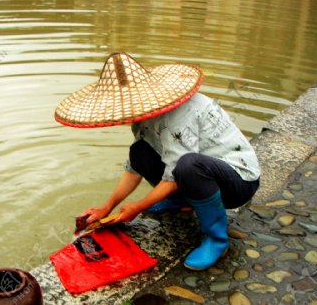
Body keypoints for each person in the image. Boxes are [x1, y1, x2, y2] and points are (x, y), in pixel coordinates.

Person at [55, 52, 260, 270]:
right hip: (198, 174)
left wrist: (138, 206)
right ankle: (182, 201)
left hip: (238, 181)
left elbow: (176, 173)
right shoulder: (142, 118)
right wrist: (107, 207)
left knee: (190, 166)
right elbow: (134, 169)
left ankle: (217, 241)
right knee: (140, 151)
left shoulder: (179, 115)